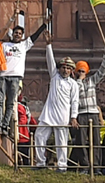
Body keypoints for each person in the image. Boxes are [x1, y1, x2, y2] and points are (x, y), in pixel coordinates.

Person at [34, 35, 80, 170]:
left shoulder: (73, 84)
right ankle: (40, 163)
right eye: (63, 68)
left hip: (63, 116)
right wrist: (48, 46)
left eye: (68, 68)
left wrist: (73, 117)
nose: (65, 70)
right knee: (39, 136)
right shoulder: (54, 76)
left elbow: (75, 101)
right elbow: (50, 61)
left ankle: (62, 166)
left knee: (61, 142)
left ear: (71, 71)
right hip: (48, 114)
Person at [0, 23, 45, 134]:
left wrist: (44, 25)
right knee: (0, 100)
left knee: (10, 102)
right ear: (12, 34)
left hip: (15, 77)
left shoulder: (24, 45)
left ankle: (5, 125)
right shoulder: (5, 45)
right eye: (16, 33)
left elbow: (35, 35)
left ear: (22, 36)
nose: (17, 35)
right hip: (3, 75)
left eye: (20, 33)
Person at [72, 47, 105, 171]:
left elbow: (102, 70)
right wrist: (79, 80)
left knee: (95, 141)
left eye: (83, 70)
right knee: (81, 142)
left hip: (93, 113)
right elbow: (78, 94)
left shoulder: (92, 81)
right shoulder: (74, 83)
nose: (81, 72)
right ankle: (84, 166)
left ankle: (96, 167)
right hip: (81, 114)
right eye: (79, 70)